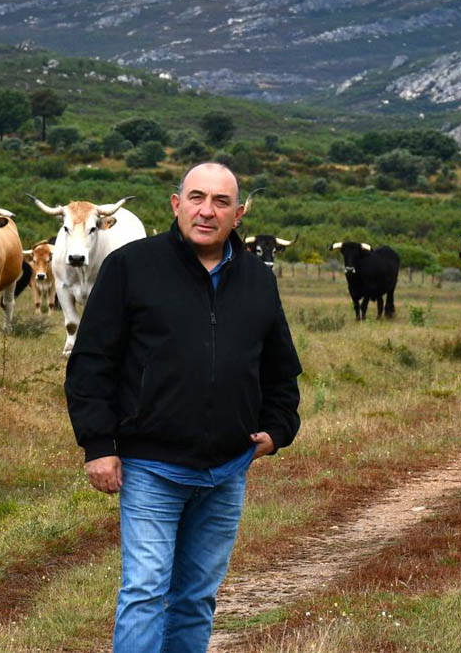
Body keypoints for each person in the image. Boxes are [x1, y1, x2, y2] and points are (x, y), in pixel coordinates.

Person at [65, 161, 302, 653]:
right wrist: (99, 444)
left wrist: (278, 428)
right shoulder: (133, 267)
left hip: (227, 468)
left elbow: (280, 367)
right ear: (176, 205)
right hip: (151, 465)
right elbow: (92, 361)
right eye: (196, 198)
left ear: (239, 214)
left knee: (196, 597)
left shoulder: (258, 279)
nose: (207, 211)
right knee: (145, 591)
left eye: (220, 202)